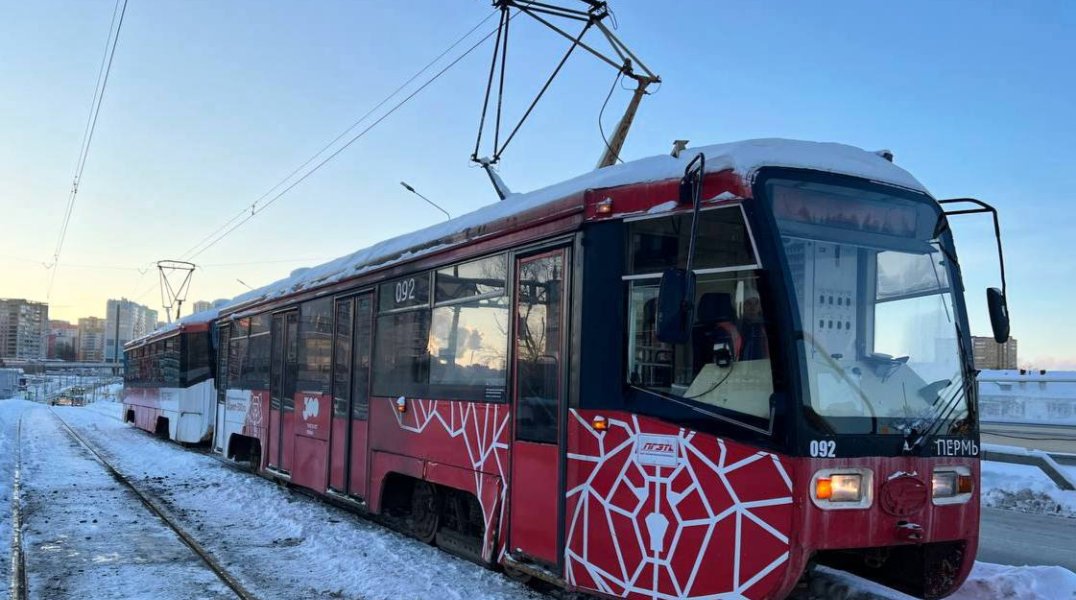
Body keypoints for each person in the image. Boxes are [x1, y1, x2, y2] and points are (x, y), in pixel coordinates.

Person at [739, 293, 769, 361]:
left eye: (756, 303)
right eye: (748, 303)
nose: (753, 308)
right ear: (742, 306)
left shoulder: (767, 327)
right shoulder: (737, 328)